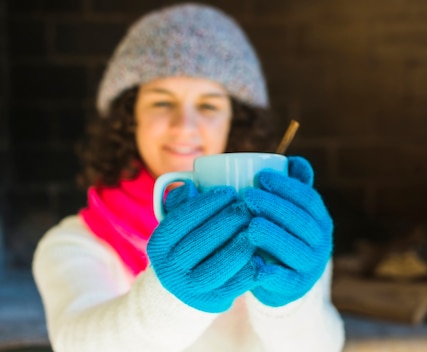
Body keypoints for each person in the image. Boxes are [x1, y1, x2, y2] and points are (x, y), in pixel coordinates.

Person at [32, 3, 345, 351]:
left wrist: (288, 304)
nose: (184, 126)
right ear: (129, 117)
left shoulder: (280, 230)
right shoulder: (75, 243)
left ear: (234, 121)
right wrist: (174, 297)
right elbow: (77, 343)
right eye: (161, 103)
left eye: (209, 106)